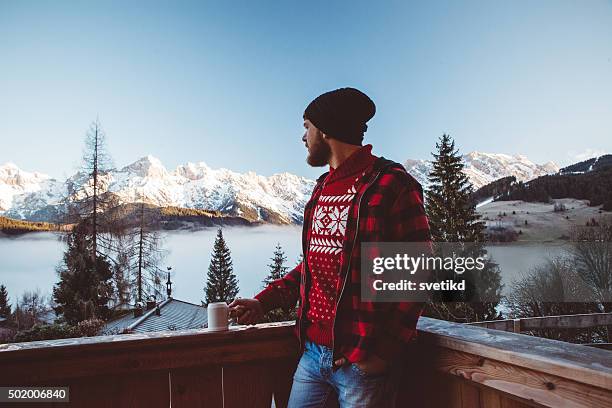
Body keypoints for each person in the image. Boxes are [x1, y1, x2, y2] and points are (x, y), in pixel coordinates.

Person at [229, 87, 431, 407]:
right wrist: (263, 302)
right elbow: (314, 266)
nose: (303, 137)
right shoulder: (322, 188)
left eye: (306, 127)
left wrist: (383, 353)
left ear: (324, 131)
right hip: (312, 355)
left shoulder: (392, 184)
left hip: (363, 363)